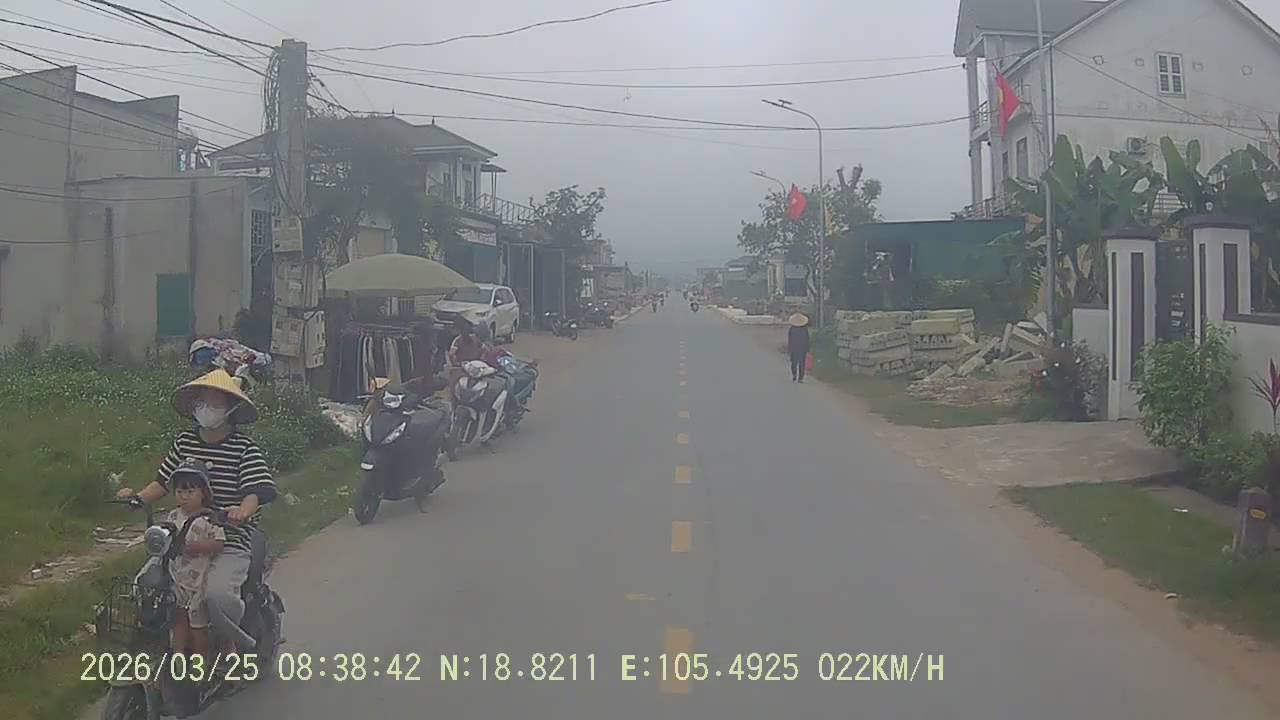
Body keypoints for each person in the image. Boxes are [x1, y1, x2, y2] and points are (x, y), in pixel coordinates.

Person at [117, 368, 276, 656]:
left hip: (228, 539)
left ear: (231, 408)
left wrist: (242, 511)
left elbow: (255, 490)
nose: (206, 408)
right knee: (148, 585)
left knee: (217, 596)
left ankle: (234, 645)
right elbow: (162, 482)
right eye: (202, 401)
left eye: (215, 402)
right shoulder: (184, 442)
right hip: (182, 538)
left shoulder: (245, 449)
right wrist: (137, 498)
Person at [165, 458, 225, 665]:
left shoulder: (209, 518)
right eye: (180, 491)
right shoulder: (173, 516)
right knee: (178, 618)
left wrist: (199, 546)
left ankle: (201, 662)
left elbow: (219, 542)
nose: (185, 496)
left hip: (199, 580)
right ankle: (178, 656)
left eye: (190, 491)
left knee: (198, 625)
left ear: (203, 493)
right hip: (177, 577)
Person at [787, 313, 811, 383]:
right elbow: (807, 339)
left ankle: (794, 374)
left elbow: (790, 339)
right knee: (802, 363)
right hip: (802, 348)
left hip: (794, 348)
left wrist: (789, 348)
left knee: (794, 363)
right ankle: (800, 378)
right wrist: (808, 349)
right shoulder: (804, 329)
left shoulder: (792, 329)